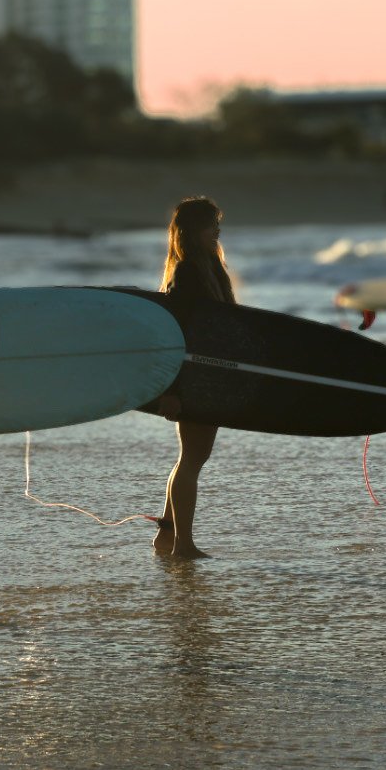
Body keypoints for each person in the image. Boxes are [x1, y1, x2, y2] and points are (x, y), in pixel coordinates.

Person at [152, 196, 235, 559]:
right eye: (210, 224)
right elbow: (175, 335)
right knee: (192, 458)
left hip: (210, 376)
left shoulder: (211, 268)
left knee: (193, 457)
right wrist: (172, 390)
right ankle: (182, 545)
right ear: (192, 230)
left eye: (217, 223)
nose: (217, 230)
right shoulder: (187, 272)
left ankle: (167, 539)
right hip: (194, 378)